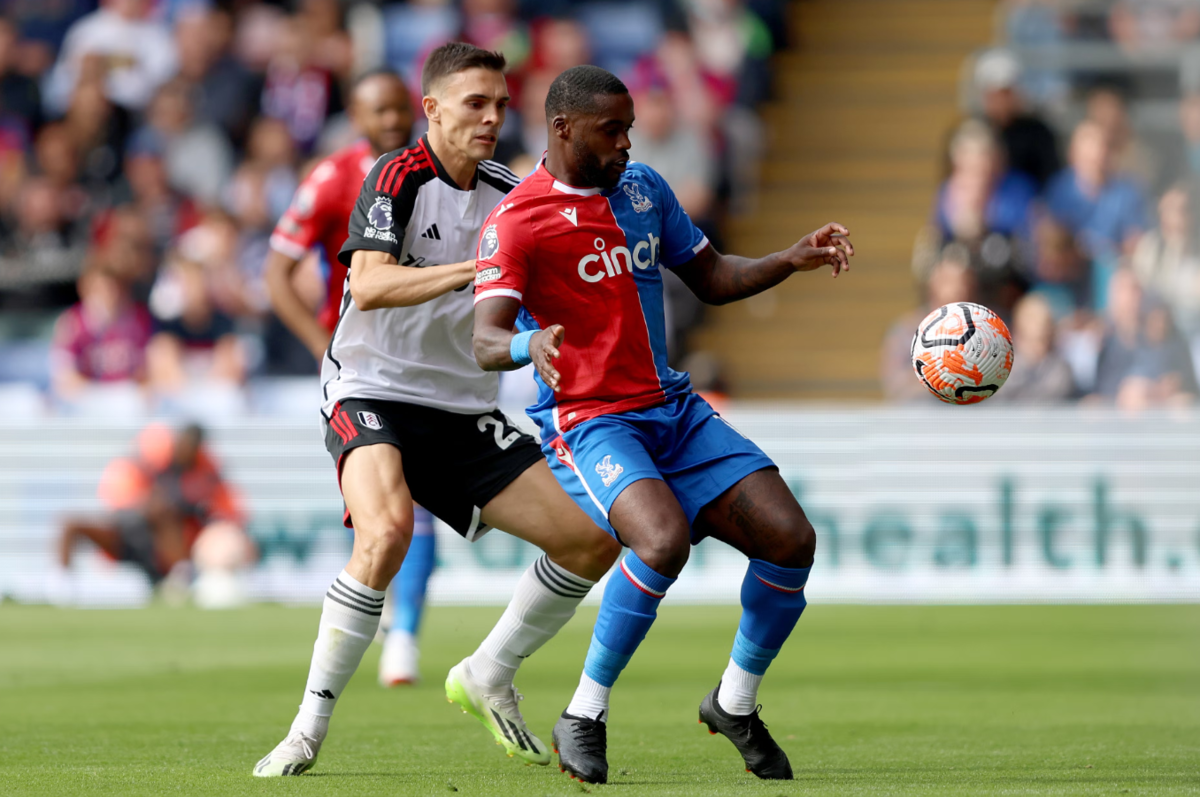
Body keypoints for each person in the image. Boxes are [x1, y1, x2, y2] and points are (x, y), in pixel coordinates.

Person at [471, 65, 854, 784]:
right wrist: (530, 343)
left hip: (673, 411)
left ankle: (734, 702)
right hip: (590, 422)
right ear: (562, 129)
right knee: (661, 539)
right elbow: (485, 336)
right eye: (609, 131)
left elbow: (711, 277)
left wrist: (788, 259)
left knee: (792, 538)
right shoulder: (517, 220)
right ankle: (584, 712)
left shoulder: (644, 188)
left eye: (629, 129)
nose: (625, 144)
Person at [253, 43, 621, 778]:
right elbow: (374, 283)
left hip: (459, 406)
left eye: (501, 105)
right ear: (433, 110)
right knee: (387, 533)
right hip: (369, 387)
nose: (491, 118)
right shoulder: (394, 176)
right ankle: (306, 728)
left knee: (591, 543)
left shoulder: (513, 194)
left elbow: (553, 286)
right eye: (474, 104)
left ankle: (488, 670)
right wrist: (479, 268)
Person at [265, 69, 436, 686]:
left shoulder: (441, 172)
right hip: (360, 365)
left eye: (399, 110)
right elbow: (277, 269)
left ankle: (404, 633)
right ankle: (387, 622)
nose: (392, 122)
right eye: (379, 112)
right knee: (374, 506)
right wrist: (319, 342)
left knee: (418, 503)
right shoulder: (332, 177)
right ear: (355, 116)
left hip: (430, 358)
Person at [54, 423, 246, 598]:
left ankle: (181, 576)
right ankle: (63, 588)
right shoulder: (149, 460)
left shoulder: (204, 473)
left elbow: (223, 509)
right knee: (71, 523)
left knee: (164, 512)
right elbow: (122, 499)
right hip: (127, 533)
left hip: (165, 546)